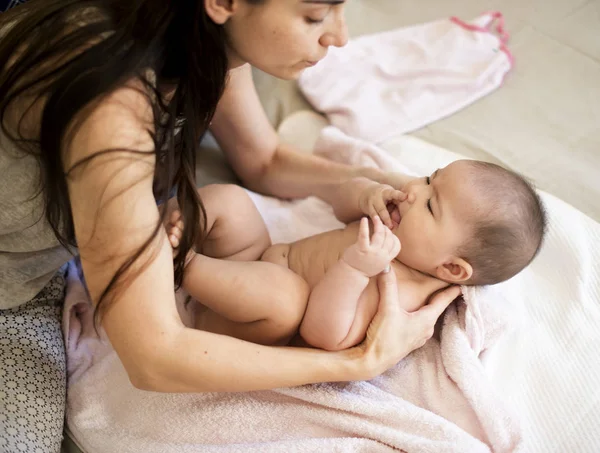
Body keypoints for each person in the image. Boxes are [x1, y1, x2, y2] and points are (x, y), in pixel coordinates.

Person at [0, 1, 461, 451]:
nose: (339, 37)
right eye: (315, 15)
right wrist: (354, 362)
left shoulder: (200, 37)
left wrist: (379, 187)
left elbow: (264, 159)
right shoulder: (110, 106)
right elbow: (153, 359)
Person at [166, 159, 547, 350]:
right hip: (256, 258)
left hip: (252, 319)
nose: (414, 189)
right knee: (229, 200)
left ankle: (179, 265)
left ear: (449, 266)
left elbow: (325, 335)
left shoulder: (403, 289)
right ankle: (163, 229)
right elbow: (341, 208)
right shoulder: (395, 220)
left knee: (286, 299)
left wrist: (353, 270)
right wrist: (364, 195)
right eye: (430, 179)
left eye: (431, 205)